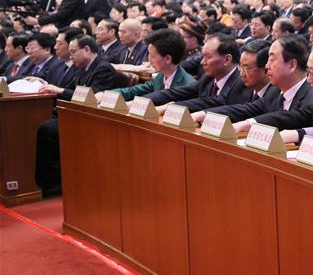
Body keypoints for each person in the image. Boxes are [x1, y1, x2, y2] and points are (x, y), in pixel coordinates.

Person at [36, 35, 121, 195]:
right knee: (43, 124)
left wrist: (60, 91)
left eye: (74, 52)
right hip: (74, 113)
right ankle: (47, 183)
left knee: (47, 129)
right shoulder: (80, 67)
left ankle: (54, 184)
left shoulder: (102, 68)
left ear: (87, 50)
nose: (71, 56)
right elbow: (68, 88)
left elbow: (92, 97)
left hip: (93, 119)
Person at [146, 33, 249, 111]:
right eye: (202, 56)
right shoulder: (208, 78)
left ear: (227, 59)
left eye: (208, 57)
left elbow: (216, 102)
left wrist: (172, 107)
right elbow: (175, 93)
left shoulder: (241, 81)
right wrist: (143, 101)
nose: (202, 62)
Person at [108, 28, 194, 101]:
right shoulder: (160, 77)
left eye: (151, 55)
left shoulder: (188, 85)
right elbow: (134, 91)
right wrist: (107, 94)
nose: (149, 60)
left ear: (167, 59)